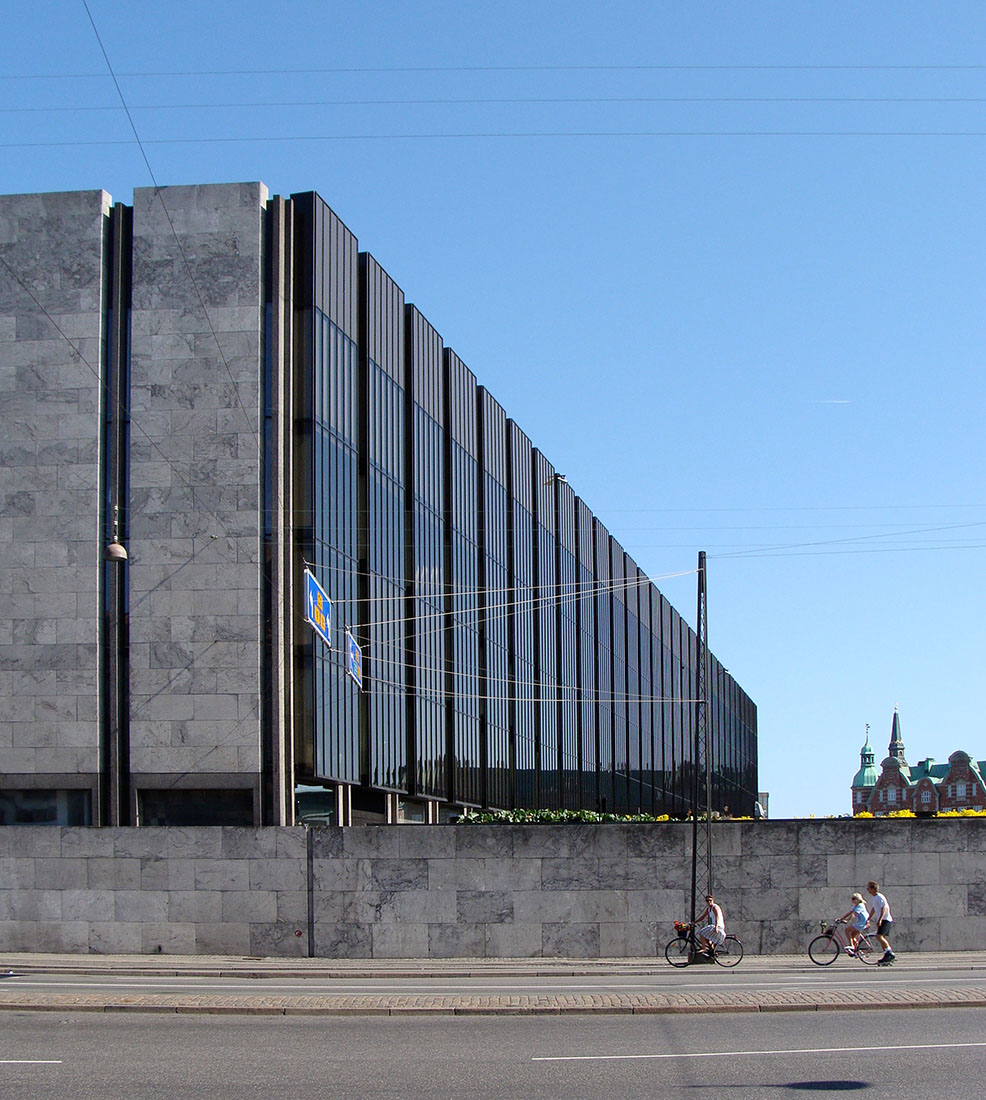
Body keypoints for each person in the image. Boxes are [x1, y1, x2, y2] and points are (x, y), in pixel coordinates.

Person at [867, 880, 896, 964]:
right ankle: (886, 954)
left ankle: (890, 953)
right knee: (880, 936)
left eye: (868, 888)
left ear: (873, 888)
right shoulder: (874, 898)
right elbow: (873, 909)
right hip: (883, 919)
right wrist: (869, 918)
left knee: (879, 936)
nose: (867, 890)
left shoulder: (880, 897)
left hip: (886, 919)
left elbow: (884, 908)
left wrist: (880, 919)